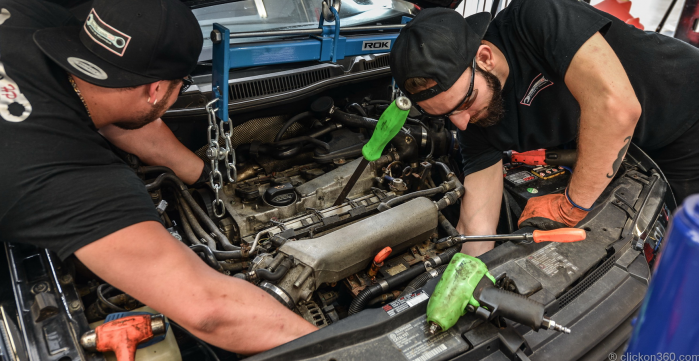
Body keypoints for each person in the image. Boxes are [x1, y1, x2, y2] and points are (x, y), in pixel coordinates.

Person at [0, 0, 316, 354]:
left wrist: (205, 177)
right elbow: (210, 311)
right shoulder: (63, 171)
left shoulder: (28, 17)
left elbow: (119, 113)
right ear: (155, 90)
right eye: (179, 85)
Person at [389, 0, 699, 256]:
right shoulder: (474, 120)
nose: (461, 122)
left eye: (465, 101)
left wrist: (569, 208)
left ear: (484, 58)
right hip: (627, 149)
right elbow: (475, 230)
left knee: (679, 251)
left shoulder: (535, 19)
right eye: (446, 115)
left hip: (685, 117)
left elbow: (616, 108)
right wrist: (467, 273)